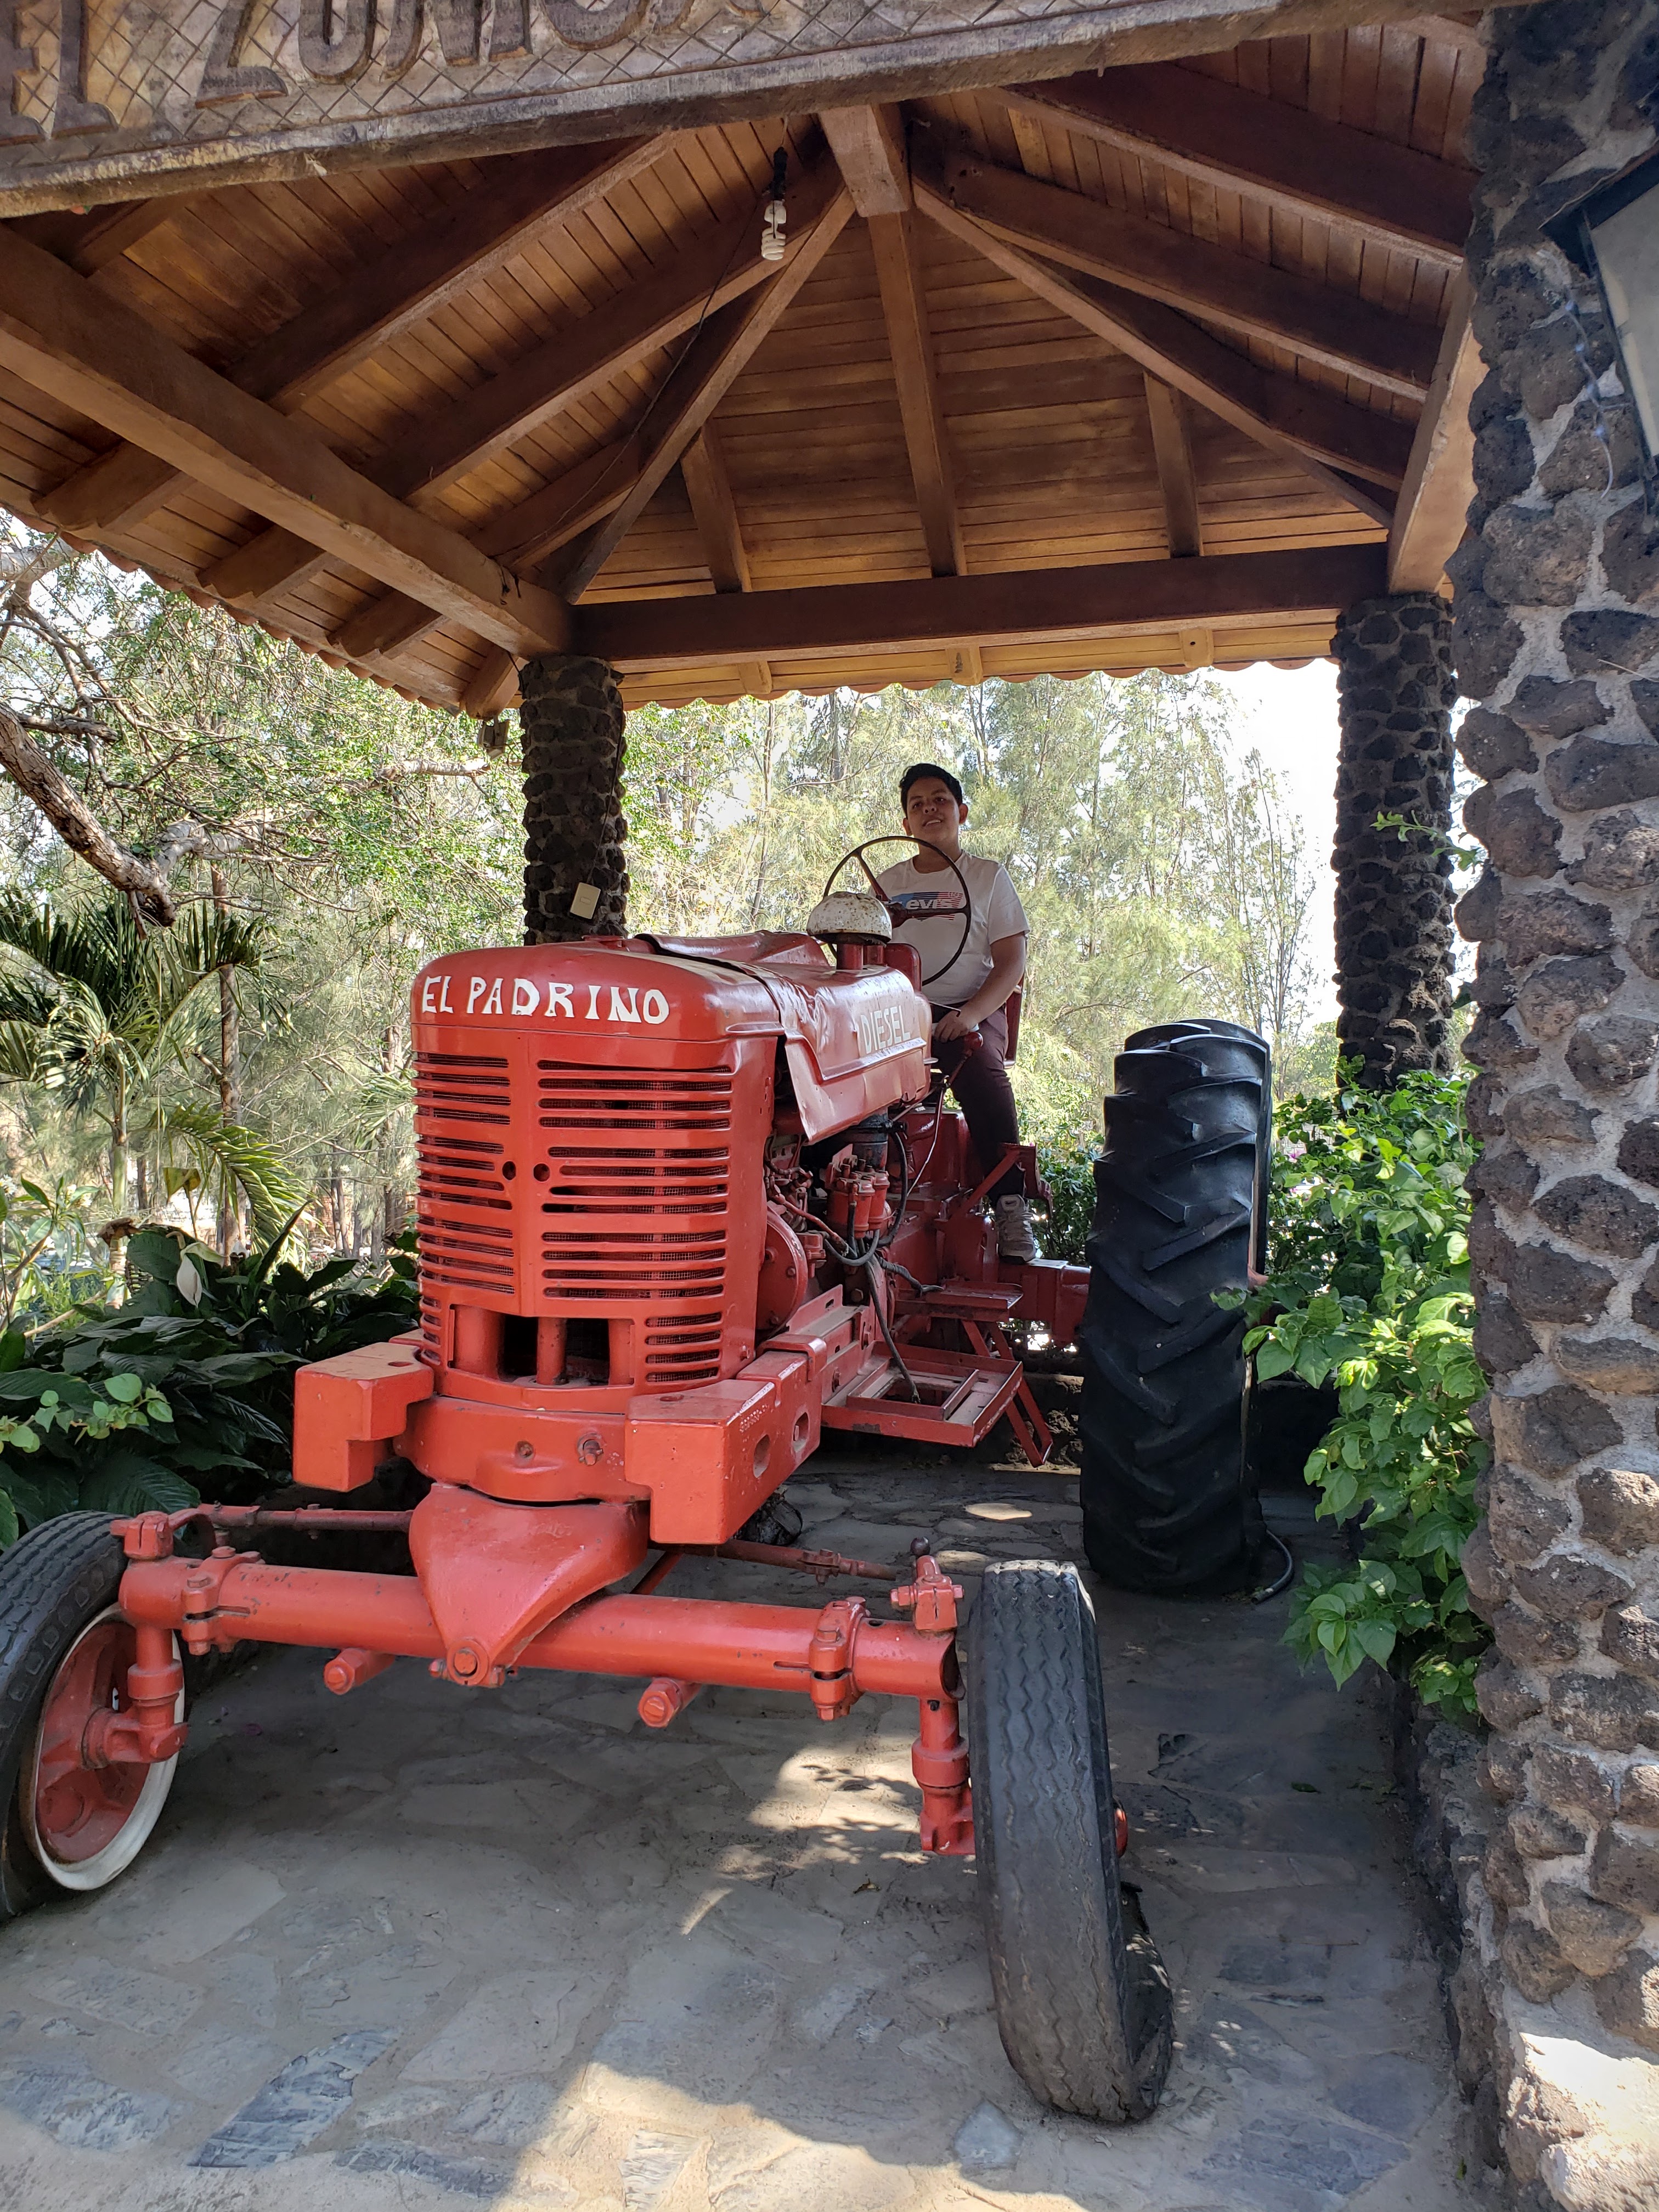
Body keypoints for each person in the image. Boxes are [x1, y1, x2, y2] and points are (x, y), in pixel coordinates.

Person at [877, 763, 1038, 1262]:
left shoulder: (988, 877)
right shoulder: (885, 884)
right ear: (905, 822)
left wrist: (970, 1015)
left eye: (940, 799)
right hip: (897, 1014)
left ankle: (1010, 1204)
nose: (930, 809)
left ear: (961, 812)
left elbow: (1012, 961)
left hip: (966, 1008)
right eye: (918, 803)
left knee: (982, 1070)